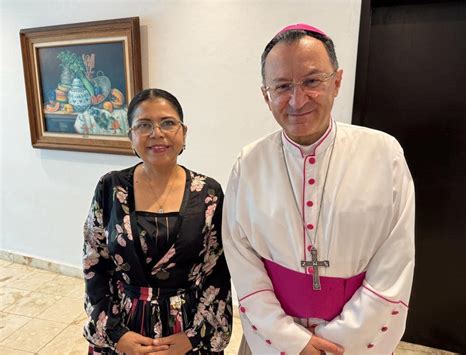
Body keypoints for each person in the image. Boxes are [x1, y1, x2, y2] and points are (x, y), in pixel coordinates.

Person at [222, 24, 415, 355]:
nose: (297, 100)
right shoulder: (249, 163)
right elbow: (242, 259)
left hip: (355, 341)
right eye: (282, 86)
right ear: (266, 95)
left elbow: (395, 259)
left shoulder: (384, 154)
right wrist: (290, 340)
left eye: (312, 81)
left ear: (337, 82)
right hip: (272, 339)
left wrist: (337, 341)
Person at [83, 88, 232, 354]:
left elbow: (218, 272)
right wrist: (117, 334)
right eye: (144, 125)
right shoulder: (111, 187)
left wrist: (193, 336)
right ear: (131, 136)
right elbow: (95, 263)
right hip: (124, 327)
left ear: (183, 132)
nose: (157, 133)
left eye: (167, 123)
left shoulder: (208, 193)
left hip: (187, 329)